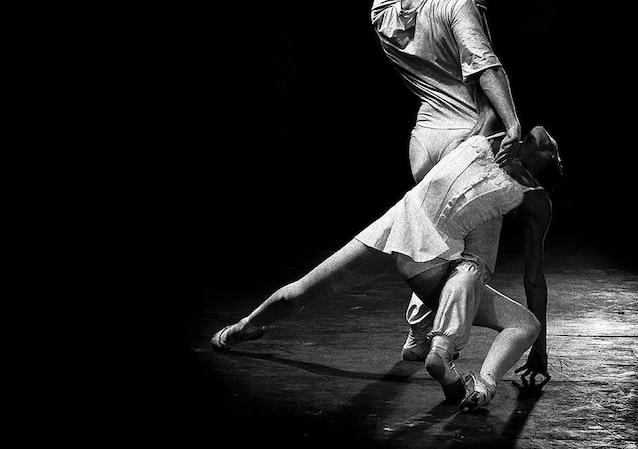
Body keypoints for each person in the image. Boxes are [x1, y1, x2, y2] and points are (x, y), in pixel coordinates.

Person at [211, 105, 562, 412]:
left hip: (430, 251)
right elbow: (487, 76)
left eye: (553, 150)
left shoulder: (533, 198)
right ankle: (246, 326)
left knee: (488, 286)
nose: (547, 141)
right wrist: (511, 123)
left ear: (542, 169)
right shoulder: (491, 132)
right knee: (298, 292)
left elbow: (534, 278)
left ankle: (472, 377)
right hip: (399, 228)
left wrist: (539, 350)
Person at [370, 0, 523, 368]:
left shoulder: (383, 17)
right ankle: (444, 346)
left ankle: (418, 333)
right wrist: (511, 122)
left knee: (435, 245)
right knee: (474, 259)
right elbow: (485, 66)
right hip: (465, 137)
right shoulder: (457, 6)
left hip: (424, 142)